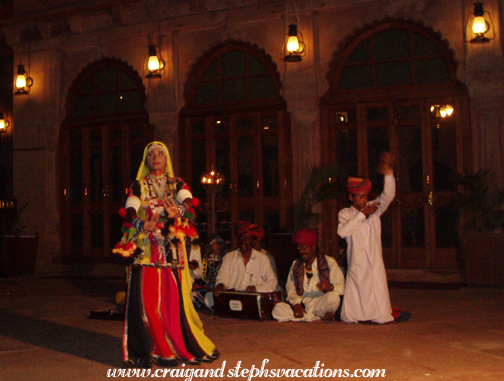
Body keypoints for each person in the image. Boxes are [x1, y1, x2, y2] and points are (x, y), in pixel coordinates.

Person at [117, 141, 218, 368]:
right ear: (145, 159)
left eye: (160, 153)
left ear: (167, 158)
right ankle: (152, 349)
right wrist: (140, 223)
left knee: (173, 302)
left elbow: (188, 201)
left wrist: (180, 210)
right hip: (145, 249)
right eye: (151, 153)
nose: (155, 156)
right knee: (147, 301)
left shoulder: (177, 182)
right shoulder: (139, 184)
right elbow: (130, 207)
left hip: (172, 248)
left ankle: (174, 347)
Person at [338, 152, 397, 324]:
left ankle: (379, 316)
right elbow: (343, 232)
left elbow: (388, 196)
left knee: (376, 289)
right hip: (357, 262)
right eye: (361, 196)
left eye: (366, 196)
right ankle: (355, 316)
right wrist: (363, 215)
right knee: (357, 290)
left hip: (374, 260)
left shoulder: (374, 208)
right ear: (351, 197)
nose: (365, 200)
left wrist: (388, 173)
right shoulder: (345, 214)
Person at [272, 228, 345, 322]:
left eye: (304, 247)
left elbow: (342, 288)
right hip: (301, 303)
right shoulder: (296, 265)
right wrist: (297, 305)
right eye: (299, 248)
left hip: (320, 302)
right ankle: (315, 317)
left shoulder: (329, 262)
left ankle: (306, 316)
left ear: (313, 247)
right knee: (277, 309)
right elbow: (291, 290)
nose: (301, 251)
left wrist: (330, 287)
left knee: (333, 298)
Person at [207, 221, 278, 308]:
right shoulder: (229, 257)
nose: (243, 242)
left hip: (253, 300)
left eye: (247, 239)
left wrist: (256, 288)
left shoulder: (263, 259)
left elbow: (272, 282)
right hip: (234, 299)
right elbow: (223, 278)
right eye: (241, 238)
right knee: (208, 298)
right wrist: (221, 285)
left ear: (253, 242)